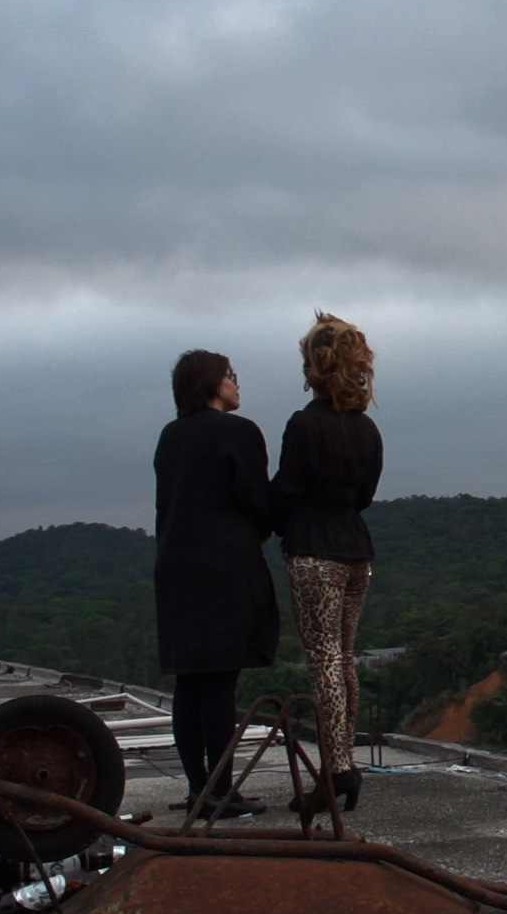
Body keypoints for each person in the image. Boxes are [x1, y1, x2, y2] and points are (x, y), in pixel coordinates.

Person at [153, 349, 280, 817]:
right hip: (224, 566)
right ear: (212, 383)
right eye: (230, 375)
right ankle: (221, 791)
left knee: (190, 680)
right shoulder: (238, 432)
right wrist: (262, 527)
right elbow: (257, 499)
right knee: (221, 679)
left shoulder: (170, 436)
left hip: (175, 565)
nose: (236, 383)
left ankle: (198, 789)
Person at [272, 313, 383, 813]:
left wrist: (268, 517)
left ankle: (337, 771)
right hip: (356, 551)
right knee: (345, 659)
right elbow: (364, 496)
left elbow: (287, 489)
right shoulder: (367, 430)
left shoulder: (304, 425)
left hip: (314, 553)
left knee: (324, 663)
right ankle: (345, 763)